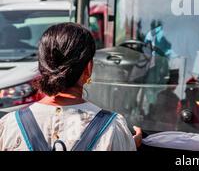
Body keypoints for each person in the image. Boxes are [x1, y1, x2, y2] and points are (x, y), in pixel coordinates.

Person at [0, 23, 142, 151]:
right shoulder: (112, 129)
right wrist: (127, 143)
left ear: (42, 67)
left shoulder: (10, 125)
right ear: (88, 68)